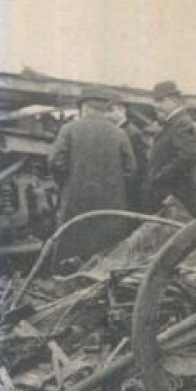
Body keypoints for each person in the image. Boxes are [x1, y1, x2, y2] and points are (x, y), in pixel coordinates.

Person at [49, 88, 137, 263]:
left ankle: (66, 285)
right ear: (104, 108)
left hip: (76, 201)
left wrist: (67, 183)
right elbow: (130, 170)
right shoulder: (119, 134)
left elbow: (55, 162)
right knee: (107, 254)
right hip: (111, 205)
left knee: (71, 250)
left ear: (84, 107)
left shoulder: (69, 129)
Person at [146, 79, 196, 215]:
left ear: (173, 100)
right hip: (173, 195)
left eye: (160, 100)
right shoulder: (174, 122)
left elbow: (186, 157)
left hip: (178, 196)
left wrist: (160, 176)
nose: (156, 105)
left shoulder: (181, 123)